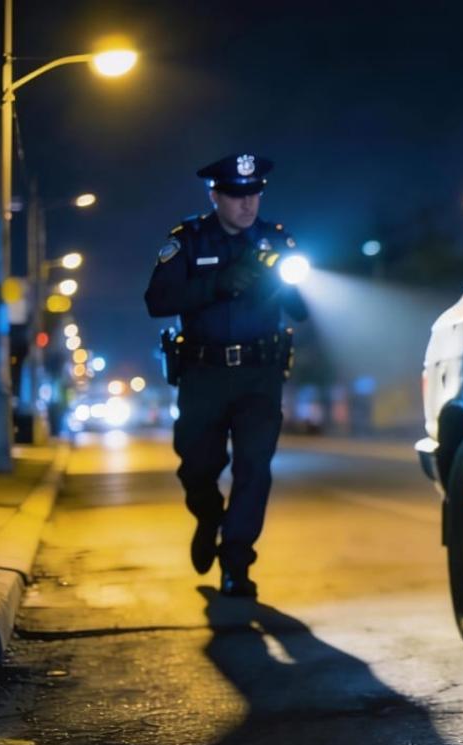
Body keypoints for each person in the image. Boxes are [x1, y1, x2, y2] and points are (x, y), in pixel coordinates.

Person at [144, 153, 308, 598]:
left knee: (254, 468)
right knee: (196, 467)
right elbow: (157, 300)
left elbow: (302, 310)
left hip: (260, 374)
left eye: (254, 193)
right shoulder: (188, 240)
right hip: (204, 373)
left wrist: (285, 283)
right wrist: (217, 285)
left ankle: (236, 562)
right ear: (215, 195)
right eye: (237, 195)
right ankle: (208, 518)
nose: (247, 203)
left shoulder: (276, 241)